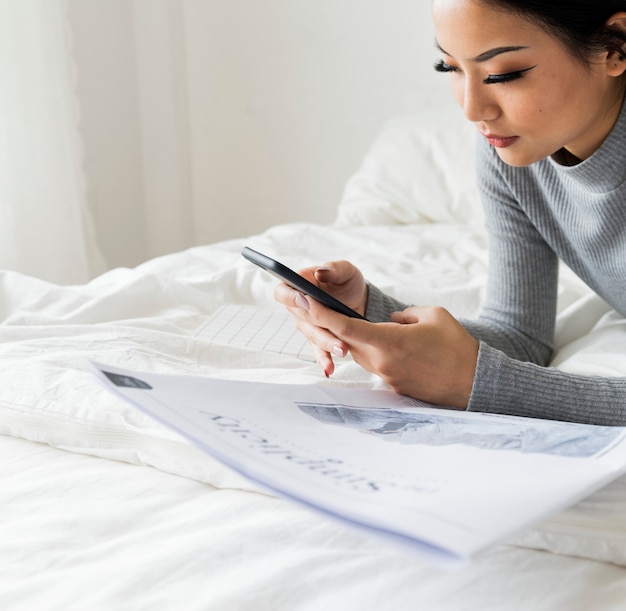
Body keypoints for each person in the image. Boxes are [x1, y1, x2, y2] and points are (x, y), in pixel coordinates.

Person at [275, 0, 626, 426]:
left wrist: (477, 384)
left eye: (502, 74)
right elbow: (522, 336)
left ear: (615, 47)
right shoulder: (511, 155)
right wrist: (367, 313)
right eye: (451, 68)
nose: (472, 110)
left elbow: (490, 370)